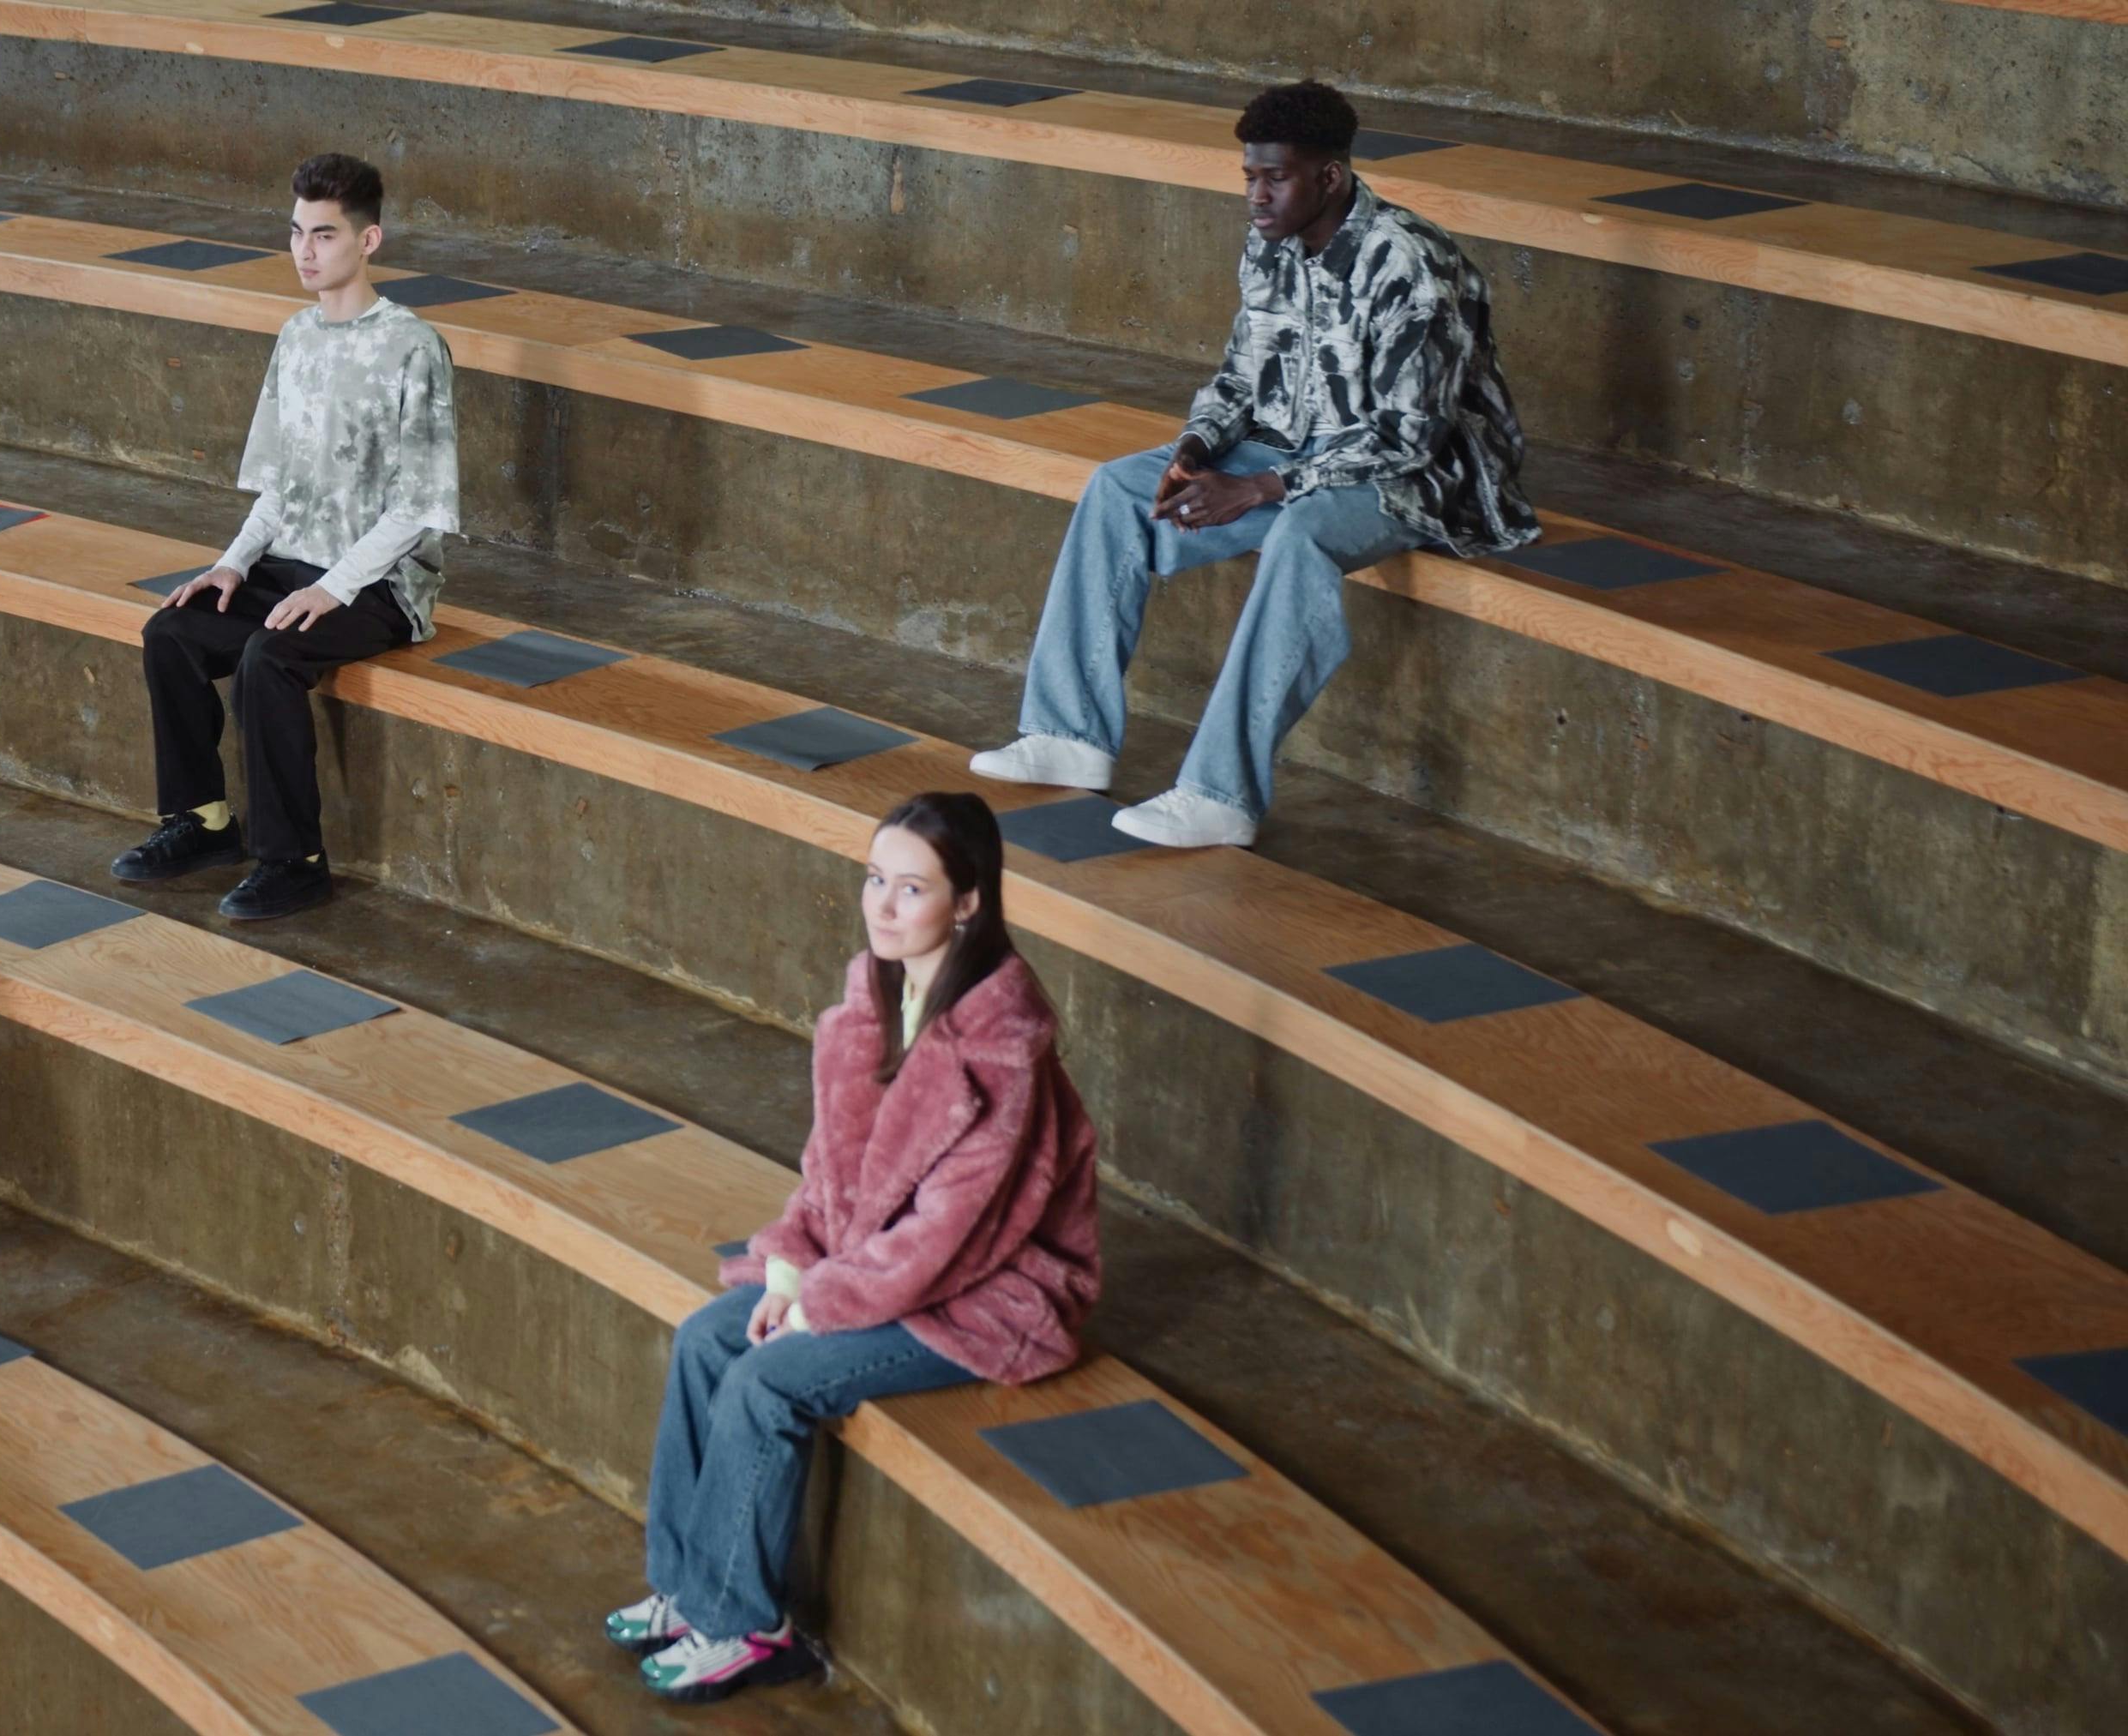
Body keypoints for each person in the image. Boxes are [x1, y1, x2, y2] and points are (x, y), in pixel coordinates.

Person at [612, 792, 1102, 1703]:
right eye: (876, 879)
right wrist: (789, 1269)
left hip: (992, 1291)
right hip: (878, 1267)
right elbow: (829, 1174)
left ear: (968, 902)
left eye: (912, 888)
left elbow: (950, 1239)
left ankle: (745, 1624)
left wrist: (815, 1307)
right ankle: (687, 1585)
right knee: (708, 1337)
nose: (883, 905)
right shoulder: (876, 993)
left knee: (766, 1382)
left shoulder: (1003, 1047)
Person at [970, 80, 1535, 849]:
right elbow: (1241, 378)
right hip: (1293, 444)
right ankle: (1069, 734)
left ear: (1328, 177)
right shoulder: (1271, 244)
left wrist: (1261, 487)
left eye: (1275, 178)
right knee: (1118, 487)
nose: (1256, 196)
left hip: (1420, 475)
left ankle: (1221, 793)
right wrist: (1197, 448)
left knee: (1300, 533)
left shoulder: (1411, 264)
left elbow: (1410, 434)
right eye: (1249, 177)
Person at [116, 151, 460, 922]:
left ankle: (294, 861)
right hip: (291, 561)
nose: (305, 251)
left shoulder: (413, 347)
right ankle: (204, 822)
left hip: (380, 586)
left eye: (324, 234)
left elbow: (417, 507)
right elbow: (281, 484)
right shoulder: (296, 337)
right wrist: (234, 564)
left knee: (267, 659)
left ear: (368, 241)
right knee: (172, 630)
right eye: (297, 232)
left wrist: (332, 587)